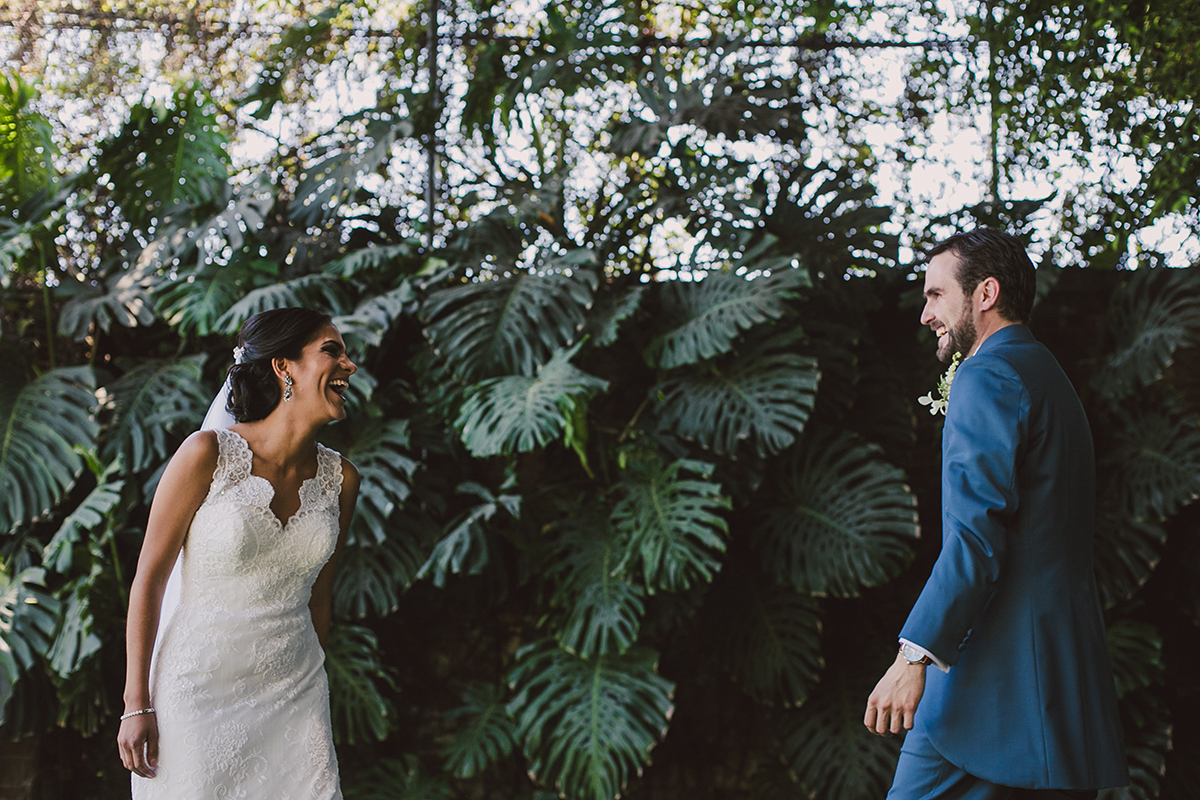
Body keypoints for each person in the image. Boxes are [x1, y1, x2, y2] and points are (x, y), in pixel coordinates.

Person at [863, 229, 1128, 798]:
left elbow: (976, 538)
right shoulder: (1047, 374)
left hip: (991, 684)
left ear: (985, 293)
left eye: (936, 295)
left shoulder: (986, 377)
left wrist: (915, 656)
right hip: (1058, 681)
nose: (925, 313)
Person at [117, 308, 361, 799]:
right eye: (331, 351)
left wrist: (306, 676)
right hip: (196, 696)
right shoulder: (207, 454)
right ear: (283, 366)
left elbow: (320, 599)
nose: (349, 365)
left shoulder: (342, 480)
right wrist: (136, 703)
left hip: (295, 696)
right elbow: (149, 579)